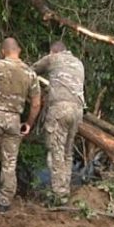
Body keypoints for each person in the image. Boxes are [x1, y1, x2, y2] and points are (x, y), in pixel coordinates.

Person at [0, 38, 41, 212]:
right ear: (19, 50)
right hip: (14, 119)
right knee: (9, 163)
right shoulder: (30, 73)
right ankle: (4, 202)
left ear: (3, 51)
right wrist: (29, 124)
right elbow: (35, 104)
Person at [32, 41, 85, 202]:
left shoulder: (53, 58)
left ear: (53, 51)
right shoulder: (78, 62)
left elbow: (30, 71)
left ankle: (58, 195)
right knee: (67, 152)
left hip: (60, 109)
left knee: (56, 151)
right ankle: (65, 189)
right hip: (77, 110)